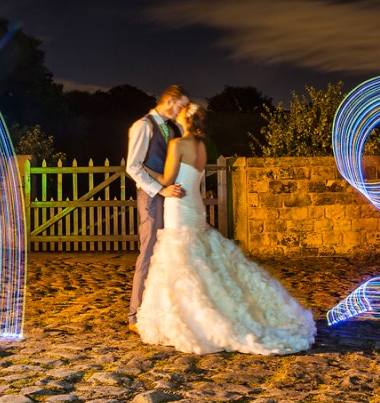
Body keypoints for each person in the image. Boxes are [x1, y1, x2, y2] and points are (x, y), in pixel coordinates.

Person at [136, 103, 317, 355]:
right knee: (197, 259)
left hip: (178, 205)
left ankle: (193, 318)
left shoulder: (177, 145)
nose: (175, 117)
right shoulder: (202, 147)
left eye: (178, 115)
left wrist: (144, 168)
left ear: (186, 121)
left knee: (181, 260)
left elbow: (167, 180)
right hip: (195, 207)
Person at [126, 85, 190, 332]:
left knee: (168, 251)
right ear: (170, 101)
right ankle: (135, 314)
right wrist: (159, 189)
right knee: (149, 250)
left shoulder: (173, 127)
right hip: (151, 197)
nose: (182, 109)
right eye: (181, 105)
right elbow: (133, 166)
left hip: (171, 198)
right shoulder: (143, 125)